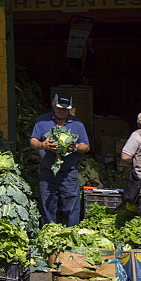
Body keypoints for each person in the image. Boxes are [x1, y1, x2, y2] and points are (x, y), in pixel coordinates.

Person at [30, 94, 90, 226]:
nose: (62, 111)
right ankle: (49, 236)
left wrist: (75, 147)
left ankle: (71, 235)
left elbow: (86, 146)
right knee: (47, 207)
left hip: (69, 174)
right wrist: (43, 145)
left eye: (65, 109)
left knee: (72, 209)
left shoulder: (77, 123)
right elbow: (33, 141)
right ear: (53, 104)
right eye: (59, 108)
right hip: (47, 172)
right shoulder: (42, 120)